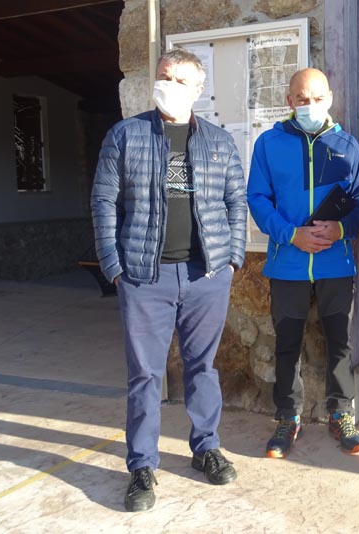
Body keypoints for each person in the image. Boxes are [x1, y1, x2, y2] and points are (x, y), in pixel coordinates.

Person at [91, 48, 246, 512]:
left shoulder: (218, 141)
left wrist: (232, 257)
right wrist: (113, 265)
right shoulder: (125, 135)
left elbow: (236, 201)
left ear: (199, 91)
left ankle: (206, 448)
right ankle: (141, 466)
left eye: (181, 80)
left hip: (206, 275)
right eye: (164, 77)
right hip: (144, 276)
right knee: (145, 375)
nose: (170, 86)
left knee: (203, 368)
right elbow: (103, 201)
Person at [247, 67, 359, 458]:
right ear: (289, 101)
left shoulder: (348, 145)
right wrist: (291, 234)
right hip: (288, 262)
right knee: (287, 343)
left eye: (317, 98)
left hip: (336, 262)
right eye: (302, 99)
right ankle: (287, 416)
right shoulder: (269, 143)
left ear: (330, 98)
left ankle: (341, 414)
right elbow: (257, 198)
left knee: (340, 342)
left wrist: (341, 229)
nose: (310, 105)